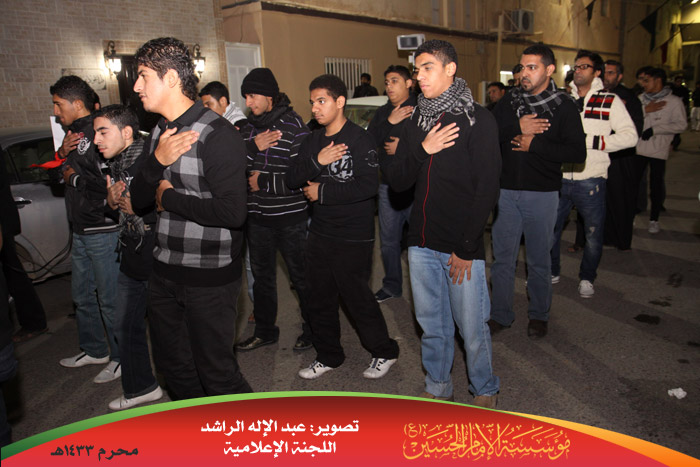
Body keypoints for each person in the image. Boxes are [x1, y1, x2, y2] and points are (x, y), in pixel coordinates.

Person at [380, 40, 501, 407]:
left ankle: (484, 388)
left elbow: (487, 188)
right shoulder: (416, 120)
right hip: (420, 241)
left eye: (427, 67)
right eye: (417, 69)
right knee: (432, 326)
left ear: (450, 69)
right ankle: (438, 385)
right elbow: (397, 179)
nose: (419, 76)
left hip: (460, 244)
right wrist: (423, 149)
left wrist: (466, 247)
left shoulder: (478, 119)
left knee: (472, 327)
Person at [130, 37, 252, 399]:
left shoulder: (218, 134)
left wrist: (169, 198)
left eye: (143, 76)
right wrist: (156, 161)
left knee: (218, 376)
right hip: (164, 271)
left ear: (170, 78)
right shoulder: (158, 131)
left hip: (209, 278)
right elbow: (139, 200)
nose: (136, 86)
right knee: (175, 371)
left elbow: (233, 212)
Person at [287, 74, 399, 380]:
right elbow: (292, 178)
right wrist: (318, 161)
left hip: (353, 234)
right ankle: (329, 355)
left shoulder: (359, 139)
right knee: (318, 296)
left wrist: (322, 191)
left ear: (339, 102)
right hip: (320, 231)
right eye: (312, 102)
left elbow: (367, 186)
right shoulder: (313, 140)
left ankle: (385, 350)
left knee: (355, 296)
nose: (315, 107)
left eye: (321, 101)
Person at [490, 45, 586, 339]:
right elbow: (488, 133)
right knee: (502, 260)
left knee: (538, 260)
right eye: (522, 67)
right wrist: (516, 126)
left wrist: (535, 144)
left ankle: (539, 315)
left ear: (549, 70)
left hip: (542, 194)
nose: (524, 73)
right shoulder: (509, 102)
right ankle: (500, 315)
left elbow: (577, 152)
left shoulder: (564, 106)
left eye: (532, 67)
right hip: (505, 193)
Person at [234, 68, 313, 352]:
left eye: (253, 96)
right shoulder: (248, 129)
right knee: (262, 278)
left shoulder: (293, 126)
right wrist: (253, 147)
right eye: (245, 96)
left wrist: (264, 182)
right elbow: (234, 167)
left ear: (270, 96)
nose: (248, 102)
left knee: (301, 277)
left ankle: (314, 329)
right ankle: (265, 331)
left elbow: (303, 175)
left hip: (290, 218)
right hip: (257, 218)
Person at [93, 105, 164, 410]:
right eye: (95, 132)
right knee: (125, 326)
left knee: (169, 331)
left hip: (156, 253)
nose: (96, 140)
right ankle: (141, 388)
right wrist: (111, 202)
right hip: (131, 252)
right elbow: (119, 208)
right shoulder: (118, 163)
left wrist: (141, 207)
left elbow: (169, 203)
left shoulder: (150, 159)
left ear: (126, 132)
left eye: (102, 132)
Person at [52, 76, 122, 383]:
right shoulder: (72, 135)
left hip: (102, 228)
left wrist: (74, 178)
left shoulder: (99, 131)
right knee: (81, 296)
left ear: (77, 103)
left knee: (110, 299)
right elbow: (58, 175)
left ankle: (122, 358)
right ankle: (94, 349)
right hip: (80, 227)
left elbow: (110, 183)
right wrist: (60, 155)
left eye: (59, 104)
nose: (56, 112)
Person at [551, 51, 637, 298]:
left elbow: (630, 137)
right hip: (559, 178)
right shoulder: (563, 99)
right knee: (551, 231)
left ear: (597, 72)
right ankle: (552, 270)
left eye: (584, 66)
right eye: (576, 66)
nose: (578, 70)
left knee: (593, 234)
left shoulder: (609, 100)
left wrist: (589, 142)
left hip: (591, 179)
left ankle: (587, 277)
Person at [198, 80, 253, 303]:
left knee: (247, 259)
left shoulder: (238, 126)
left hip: (238, 200)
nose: (205, 110)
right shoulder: (217, 125)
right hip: (226, 199)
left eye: (208, 105)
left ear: (223, 102)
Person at [367, 65, 416, 303]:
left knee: (421, 244)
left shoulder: (422, 108)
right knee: (388, 242)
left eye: (394, 81)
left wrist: (403, 147)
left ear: (408, 83)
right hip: (388, 186)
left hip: (416, 187)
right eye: (386, 82)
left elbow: (432, 143)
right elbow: (369, 141)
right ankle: (392, 285)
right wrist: (389, 121)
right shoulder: (383, 112)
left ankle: (424, 289)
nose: (389, 86)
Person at [0, 147, 48, 343]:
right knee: (13, 274)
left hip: (2, 224)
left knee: (13, 275)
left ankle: (33, 322)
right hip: (4, 221)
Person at [636, 67, 687, 234]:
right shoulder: (641, 99)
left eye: (647, 80)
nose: (643, 84)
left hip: (659, 149)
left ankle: (654, 219)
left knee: (656, 184)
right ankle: (631, 213)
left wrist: (656, 129)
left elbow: (681, 125)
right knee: (634, 183)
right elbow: (631, 118)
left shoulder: (674, 101)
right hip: (638, 148)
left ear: (657, 80)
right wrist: (645, 110)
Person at [602, 59, 644, 251]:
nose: (606, 76)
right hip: (600, 156)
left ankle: (621, 239)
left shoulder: (629, 98)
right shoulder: (597, 94)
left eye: (611, 73)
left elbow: (635, 130)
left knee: (621, 198)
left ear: (619, 76)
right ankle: (603, 236)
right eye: (604, 72)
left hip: (622, 158)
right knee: (602, 199)